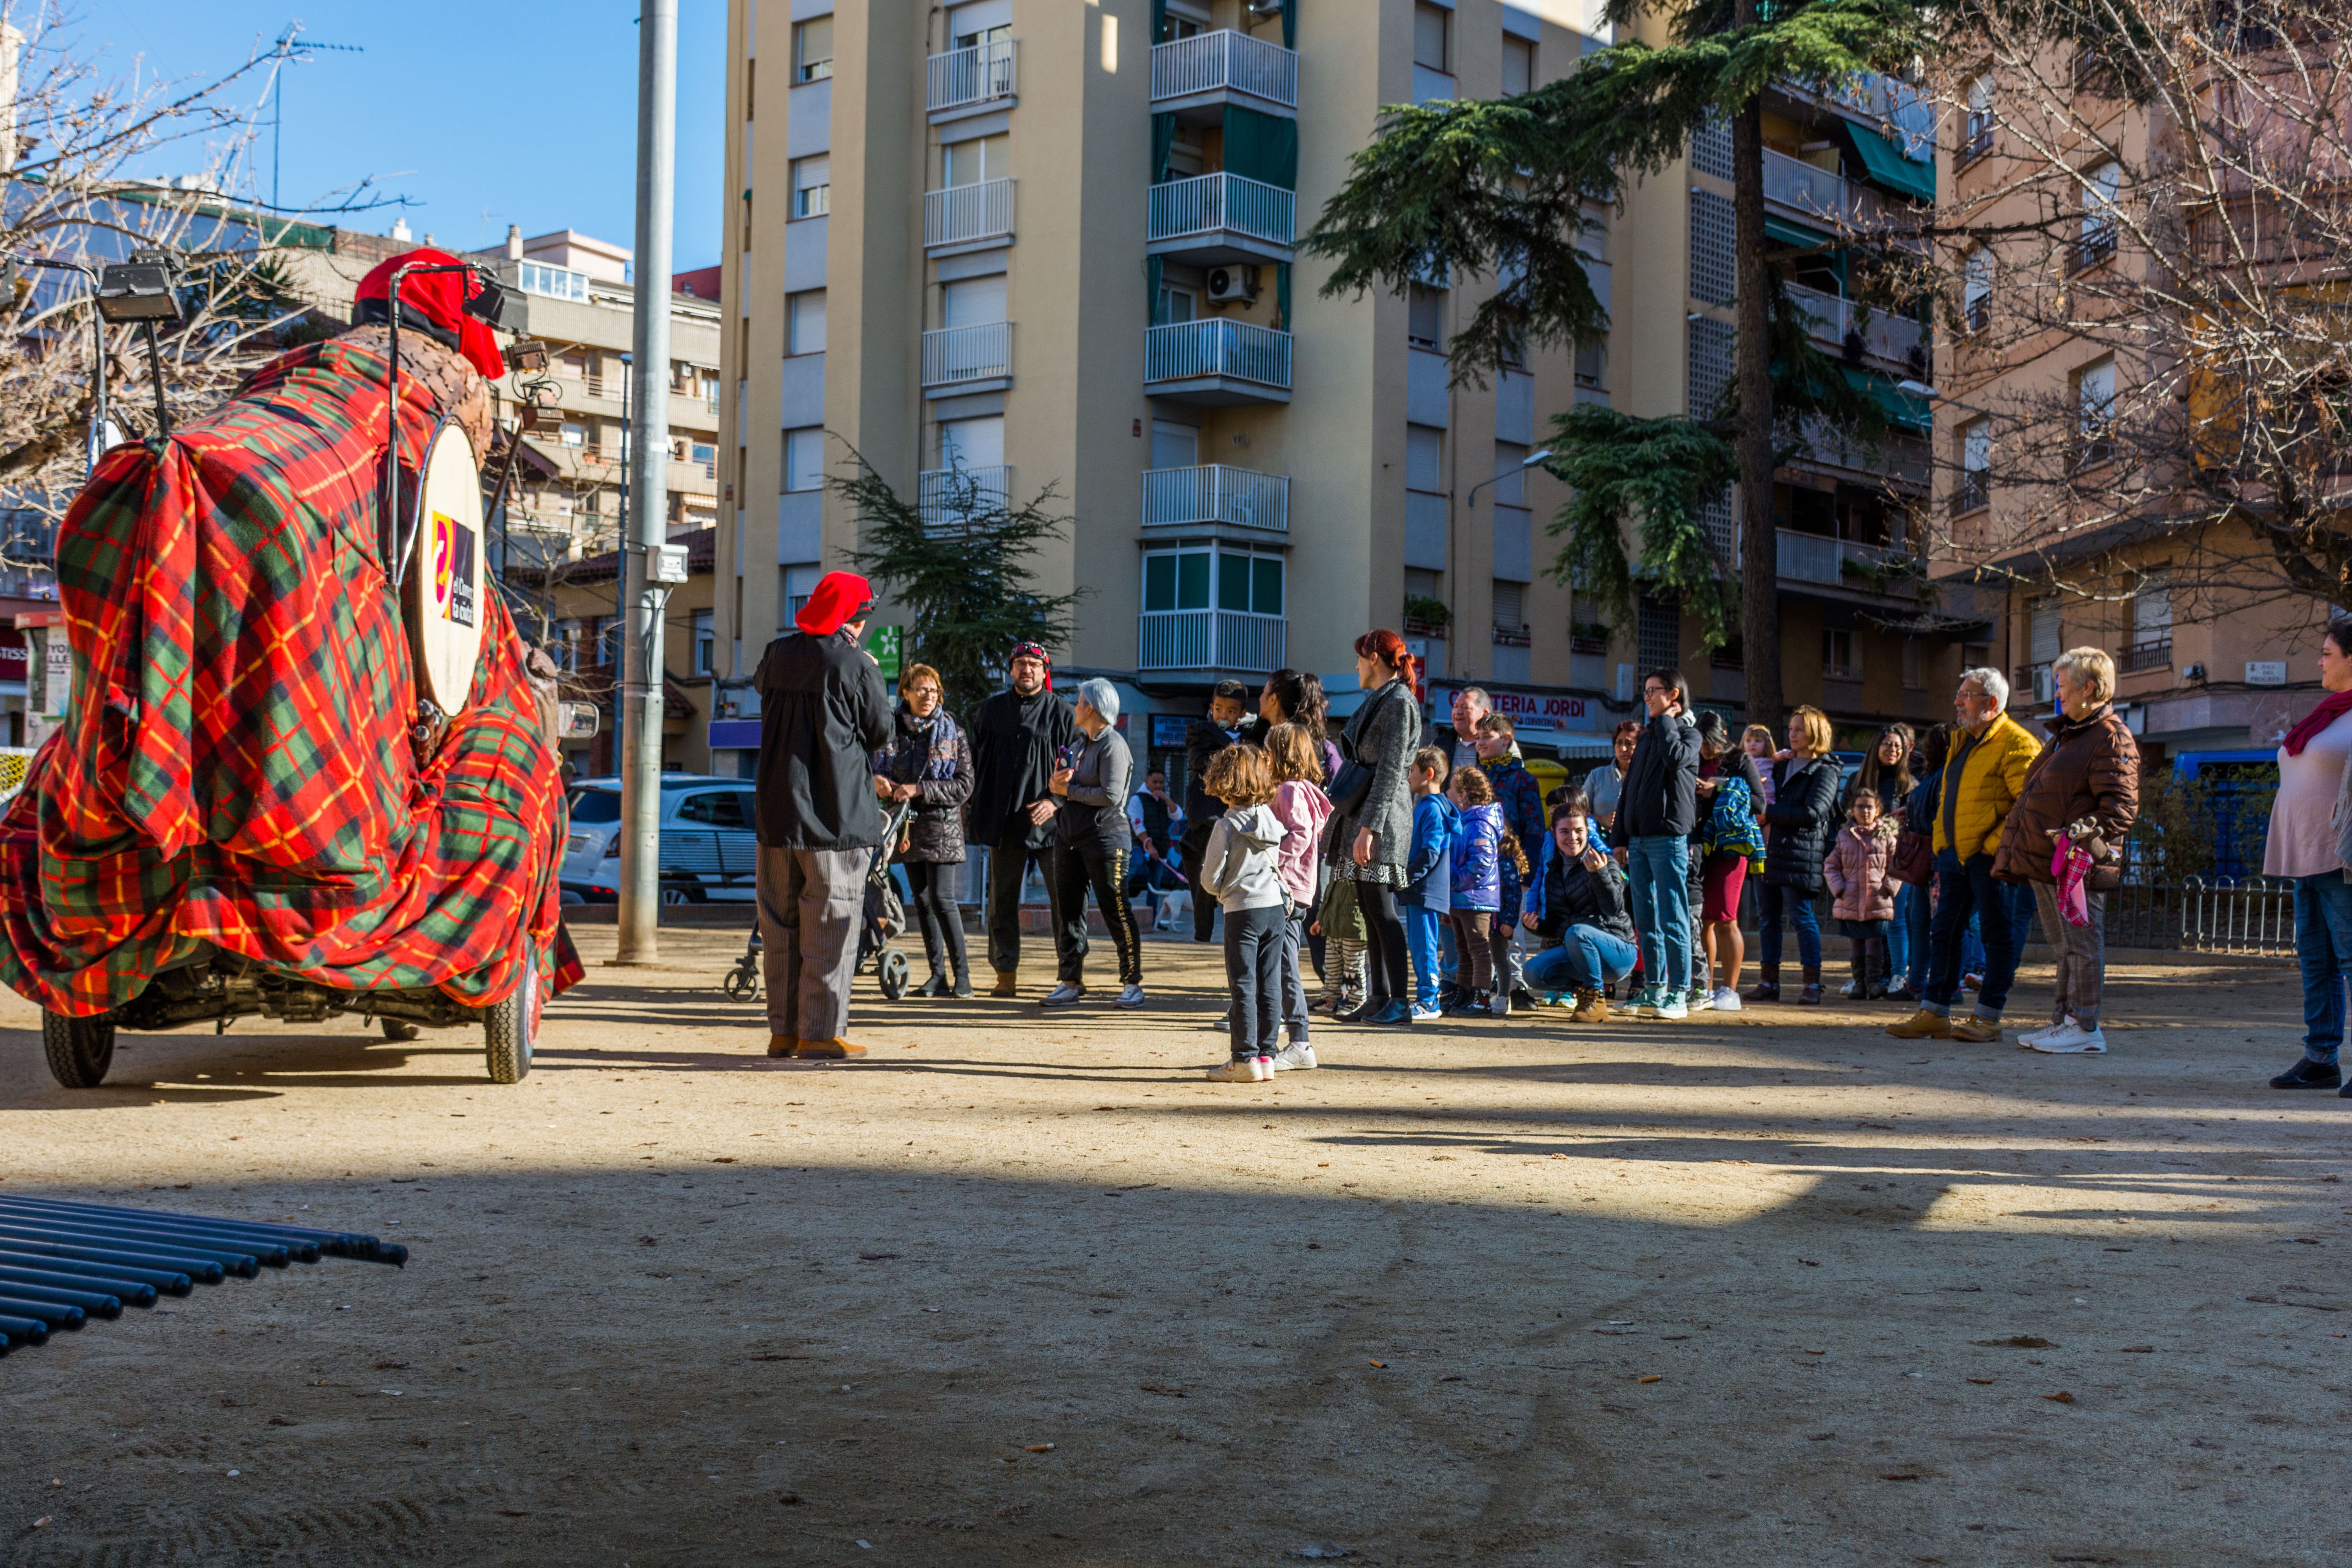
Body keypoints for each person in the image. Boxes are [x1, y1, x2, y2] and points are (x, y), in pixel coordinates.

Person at [751, 570, 894, 1059]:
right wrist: (866, 665)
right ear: (854, 617)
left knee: (779, 924)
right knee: (830, 923)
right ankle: (820, 1031)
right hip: (835, 815)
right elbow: (879, 732)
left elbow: (760, 687)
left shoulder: (776, 654)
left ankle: (782, 1031)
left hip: (776, 814)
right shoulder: (856, 663)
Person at [1993, 647, 2139, 1053]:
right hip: (2052, 861)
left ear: (2088, 688)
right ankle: (2066, 1022)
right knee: (2066, 945)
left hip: (2079, 862)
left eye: (2062, 685)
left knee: (2081, 942)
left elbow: (2122, 808)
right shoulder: (2072, 734)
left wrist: (2076, 834)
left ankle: (2085, 1024)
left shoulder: (2109, 735)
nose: (2058, 693)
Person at [1889, 668, 2043, 1042]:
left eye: (1967, 695)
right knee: (1943, 933)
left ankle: (1988, 1017)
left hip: (1991, 860)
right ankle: (1934, 1012)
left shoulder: (2018, 744)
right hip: (1954, 857)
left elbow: (2028, 805)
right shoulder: (1962, 742)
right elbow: (1949, 802)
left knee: (1996, 935)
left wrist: (1989, 847)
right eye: (1959, 694)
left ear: (1991, 703)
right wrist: (1944, 845)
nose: (1958, 702)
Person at [2269, 615, 2352, 1091]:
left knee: (2351, 959)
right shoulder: (2330, 713)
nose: (2319, 660)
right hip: (2305, 854)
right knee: (2316, 961)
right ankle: (2321, 1058)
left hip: (2342, 857)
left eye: (2328, 653)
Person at [965, 643, 1078, 997]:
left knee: (1066, 900)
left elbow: (1076, 766)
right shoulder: (989, 711)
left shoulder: (1063, 713)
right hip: (1004, 822)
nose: (1026, 669)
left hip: (1050, 823)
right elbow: (971, 760)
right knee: (1001, 900)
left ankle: (1071, 976)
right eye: (1019, 664)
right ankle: (1005, 975)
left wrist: (1056, 801)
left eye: (1033, 664)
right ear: (1010, 670)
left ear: (1045, 672)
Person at [1332, 630, 1421, 1025]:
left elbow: (1390, 771)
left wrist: (1370, 828)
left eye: (1360, 658)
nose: (1356, 666)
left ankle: (1399, 1001)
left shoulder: (1400, 701)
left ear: (1373, 657)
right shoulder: (1386, 698)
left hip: (1381, 819)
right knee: (1370, 911)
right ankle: (1379, 996)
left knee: (1382, 911)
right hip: (1368, 815)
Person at [870, 662, 974, 998]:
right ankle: (937, 976)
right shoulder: (891, 730)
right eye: (920, 690)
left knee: (943, 900)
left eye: (933, 690)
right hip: (905, 828)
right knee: (923, 902)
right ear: (905, 693)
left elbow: (964, 786)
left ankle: (964, 978)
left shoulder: (951, 731)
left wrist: (919, 789)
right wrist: (878, 782)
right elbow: (870, 768)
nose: (928, 696)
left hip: (942, 828)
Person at [1042, 678, 1145, 1010]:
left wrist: (1067, 792)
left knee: (1116, 909)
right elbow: (1062, 786)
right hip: (1069, 837)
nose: (1075, 706)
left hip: (1105, 839)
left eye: (1079, 701)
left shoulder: (1113, 745)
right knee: (1069, 912)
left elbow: (1112, 796)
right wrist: (1056, 783)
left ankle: (1132, 983)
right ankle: (1069, 981)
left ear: (1092, 708)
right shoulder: (1079, 744)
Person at [1198, 745, 1290, 1083]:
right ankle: (1267, 1055)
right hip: (1274, 909)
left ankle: (1243, 1059)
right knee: (1270, 983)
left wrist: (1221, 891)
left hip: (1242, 910)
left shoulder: (1226, 825)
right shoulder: (1271, 820)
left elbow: (1210, 878)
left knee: (1243, 984)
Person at [1621, 668, 1700, 1019]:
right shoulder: (1649, 737)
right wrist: (1621, 838)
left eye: (1655, 691)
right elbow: (1629, 791)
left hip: (1668, 839)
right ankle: (1654, 990)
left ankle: (1679, 992)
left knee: (1673, 917)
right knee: (1646, 920)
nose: (1647, 697)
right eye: (1646, 690)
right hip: (1637, 841)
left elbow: (1676, 758)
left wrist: (1668, 722)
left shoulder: (1688, 734)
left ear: (1674, 697)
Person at [1749, 705, 1842, 1005]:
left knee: (1802, 919)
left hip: (1800, 854)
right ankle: (1769, 981)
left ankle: (1812, 984)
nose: (1793, 734)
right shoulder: (1779, 766)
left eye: (1799, 729)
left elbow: (1813, 813)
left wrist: (1769, 814)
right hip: (1768, 850)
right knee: (1768, 918)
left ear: (1816, 733)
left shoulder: (1826, 770)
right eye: (1791, 728)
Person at [1522, 801, 1639, 1022]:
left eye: (1579, 831)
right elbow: (1559, 925)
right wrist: (1538, 927)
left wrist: (1600, 874)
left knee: (1578, 933)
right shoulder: (1554, 873)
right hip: (1581, 948)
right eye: (1564, 832)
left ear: (1588, 832)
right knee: (1532, 972)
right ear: (1554, 835)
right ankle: (1585, 991)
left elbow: (1614, 910)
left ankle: (1596, 999)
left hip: (1619, 951)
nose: (1572, 838)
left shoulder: (1606, 861)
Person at [1180, 681, 1271, 944]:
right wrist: (1237, 757)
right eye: (1218, 709)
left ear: (1241, 714)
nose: (1223, 715)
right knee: (1204, 868)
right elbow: (1200, 761)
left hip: (1239, 816)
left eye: (1231, 711)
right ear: (1211, 708)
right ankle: (1203, 929)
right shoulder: (1200, 731)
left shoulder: (1249, 734)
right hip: (1208, 812)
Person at [1265, 722, 1333, 1069]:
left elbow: (1300, 834)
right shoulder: (1301, 789)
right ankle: (1287, 1037)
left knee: (1285, 964)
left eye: (1268, 750)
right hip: (1296, 888)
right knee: (1279, 962)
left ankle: (1300, 1042)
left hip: (1287, 890)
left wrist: (1271, 860)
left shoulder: (1290, 790)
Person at [1693, 711, 1764, 1010]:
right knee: (1704, 920)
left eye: (1711, 743)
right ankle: (1704, 988)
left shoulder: (1740, 760)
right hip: (1699, 845)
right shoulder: (1691, 759)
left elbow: (1759, 803)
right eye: (1702, 743)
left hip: (1730, 847)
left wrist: (1718, 788)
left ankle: (1729, 990)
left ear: (1723, 737)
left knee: (1725, 918)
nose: (1706, 750)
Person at [1474, 714, 1546, 1009]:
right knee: (1481, 930)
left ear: (1506, 739)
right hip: (1478, 866)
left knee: (1510, 929)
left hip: (1510, 867)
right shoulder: (1477, 777)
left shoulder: (1522, 779)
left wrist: (1526, 872)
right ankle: (1483, 986)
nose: (1480, 743)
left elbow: (1534, 828)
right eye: (1478, 737)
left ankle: (1515, 985)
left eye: (1487, 737)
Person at [1891, 723, 1952, 1001]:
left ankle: (1946, 987)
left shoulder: (1945, 777)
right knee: (1919, 922)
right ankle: (1917, 983)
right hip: (1926, 863)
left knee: (1939, 926)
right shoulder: (1934, 777)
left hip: (1936, 860)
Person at [1445, 765, 1508, 1017]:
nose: (1447, 792)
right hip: (1461, 896)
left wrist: (1455, 881)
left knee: (1478, 949)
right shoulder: (1465, 820)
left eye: (1451, 788)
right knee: (1463, 948)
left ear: (1464, 793)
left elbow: (1480, 862)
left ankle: (1481, 997)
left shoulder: (1481, 823)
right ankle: (1464, 991)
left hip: (1475, 898)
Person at [1826, 789, 1901, 999]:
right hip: (1850, 899)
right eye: (1860, 806)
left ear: (1878, 810)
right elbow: (1831, 865)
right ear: (1853, 810)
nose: (1865, 811)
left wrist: (1889, 888)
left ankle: (1874, 983)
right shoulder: (1844, 836)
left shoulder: (1887, 836)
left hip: (1877, 900)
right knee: (1856, 942)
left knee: (1874, 941)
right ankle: (1859, 984)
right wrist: (1839, 888)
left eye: (1870, 807)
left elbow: (1897, 865)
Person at [1402, 747, 1456, 1020]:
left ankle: (1429, 1002)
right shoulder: (1428, 805)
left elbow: (1431, 850)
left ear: (1429, 774)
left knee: (1425, 946)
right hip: (1420, 890)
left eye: (1412, 771)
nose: (1409, 776)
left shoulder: (1432, 808)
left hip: (1424, 889)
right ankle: (1426, 998)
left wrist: (1410, 875)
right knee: (1420, 945)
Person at [1263, 668, 1343, 785]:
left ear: (1273, 699)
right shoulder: (1324, 746)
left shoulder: (1269, 743)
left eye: (1264, 692)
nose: (1260, 698)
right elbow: (1338, 788)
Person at [1125, 768, 1185, 900]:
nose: (1158, 786)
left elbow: (1178, 815)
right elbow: (1138, 825)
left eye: (1162, 783)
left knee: (1155, 886)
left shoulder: (1163, 800)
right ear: (1147, 781)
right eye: (1155, 782)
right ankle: (1115, 898)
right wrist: (1149, 846)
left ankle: (1153, 919)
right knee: (1133, 868)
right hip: (1139, 845)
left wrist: (1167, 800)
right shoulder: (1138, 799)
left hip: (1160, 848)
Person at [1584, 720, 1641, 836]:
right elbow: (1578, 812)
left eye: (1630, 744)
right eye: (1619, 743)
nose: (1623, 749)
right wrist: (1600, 819)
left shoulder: (1647, 778)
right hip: (1601, 844)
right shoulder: (1597, 776)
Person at [1446, 686, 1495, 772]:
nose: (1458, 712)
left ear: (1484, 714)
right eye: (1456, 706)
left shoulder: (1498, 746)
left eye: (1465, 707)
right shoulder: (1441, 744)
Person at [1742, 724, 1780, 813]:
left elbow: (1782, 754)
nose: (1752, 744)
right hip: (1752, 799)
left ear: (1766, 744)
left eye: (1758, 741)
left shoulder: (1771, 759)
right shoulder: (1743, 762)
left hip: (1769, 799)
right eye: (1748, 741)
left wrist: (1789, 754)